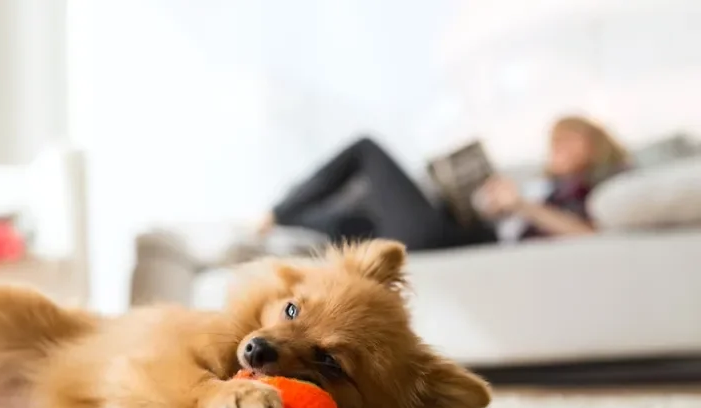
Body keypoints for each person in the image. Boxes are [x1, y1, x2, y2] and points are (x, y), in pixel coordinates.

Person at [256, 115, 632, 250]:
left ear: (594, 144)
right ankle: (284, 223)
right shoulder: (544, 182)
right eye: (554, 140)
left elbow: (588, 233)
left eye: (569, 139)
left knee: (366, 150)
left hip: (460, 239)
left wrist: (520, 205)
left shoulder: (593, 186)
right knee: (355, 220)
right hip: (459, 225)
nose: (557, 147)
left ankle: (277, 212)